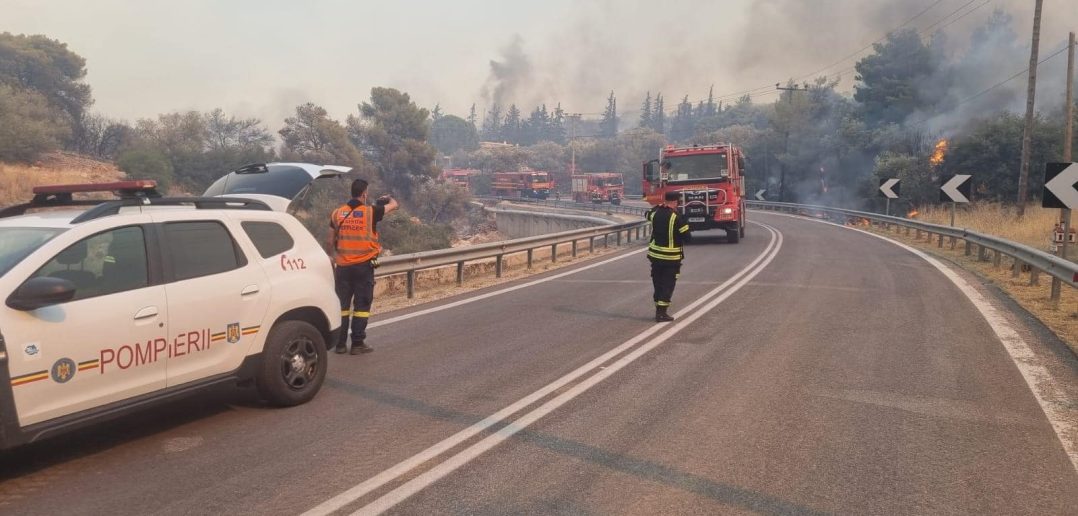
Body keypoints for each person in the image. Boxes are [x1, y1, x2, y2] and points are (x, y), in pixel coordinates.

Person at [328, 179, 398, 354]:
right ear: (364, 194)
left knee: (342, 307)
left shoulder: (337, 213)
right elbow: (394, 205)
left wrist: (332, 257)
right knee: (361, 305)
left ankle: (340, 344)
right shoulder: (371, 212)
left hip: (343, 267)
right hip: (363, 267)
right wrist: (388, 199)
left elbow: (330, 241)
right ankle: (357, 344)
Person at [646, 189, 690, 322]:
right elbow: (687, 237)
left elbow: (647, 214)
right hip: (671, 258)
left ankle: (658, 310)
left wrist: (659, 206)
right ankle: (661, 313)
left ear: (665, 201)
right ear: (676, 202)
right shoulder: (677, 217)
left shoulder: (655, 213)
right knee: (668, 285)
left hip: (655, 256)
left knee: (658, 283)